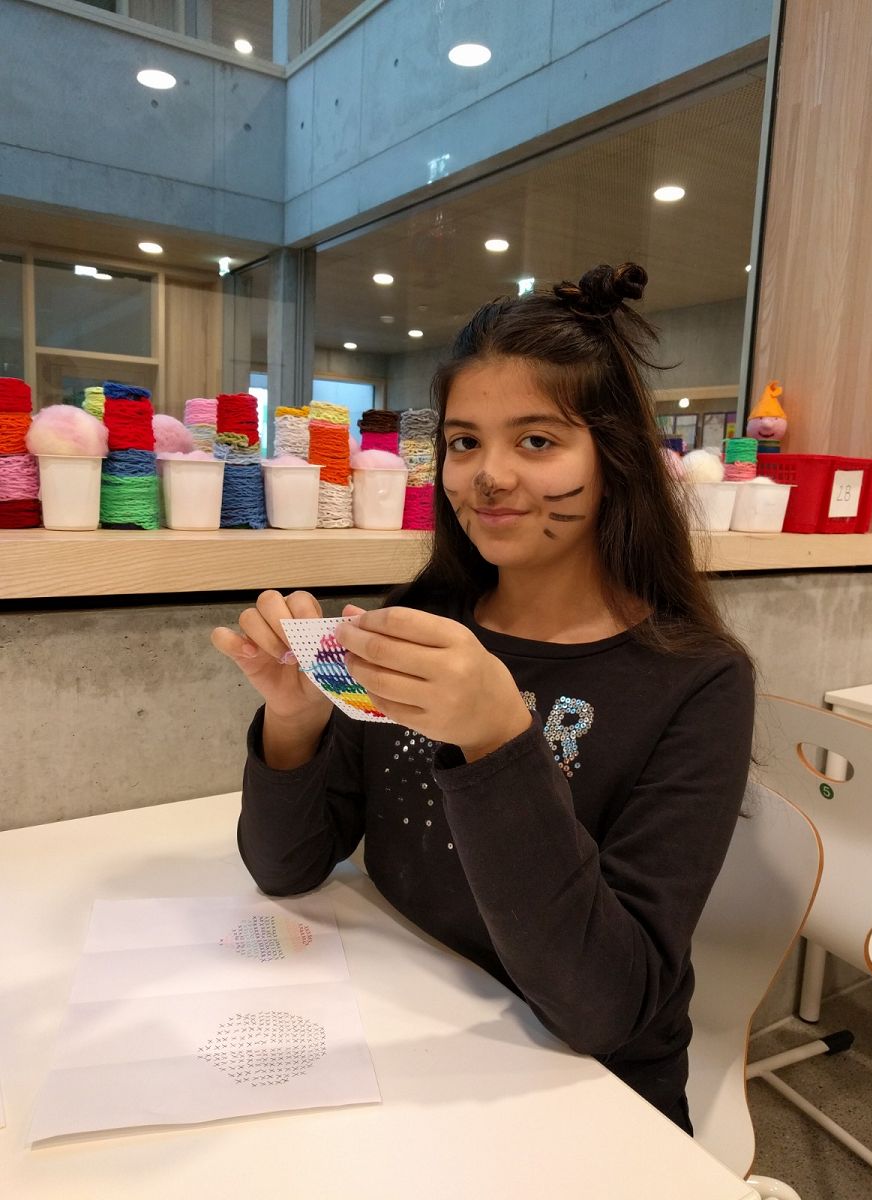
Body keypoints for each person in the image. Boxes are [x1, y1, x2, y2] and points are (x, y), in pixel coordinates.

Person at [211, 262, 755, 1134]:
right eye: (464, 442)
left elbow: (605, 1008)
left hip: (589, 1097)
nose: (488, 475)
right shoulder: (418, 625)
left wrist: (501, 739)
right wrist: (296, 719)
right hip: (411, 1031)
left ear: (614, 459)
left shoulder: (697, 681)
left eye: (536, 441)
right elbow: (285, 868)